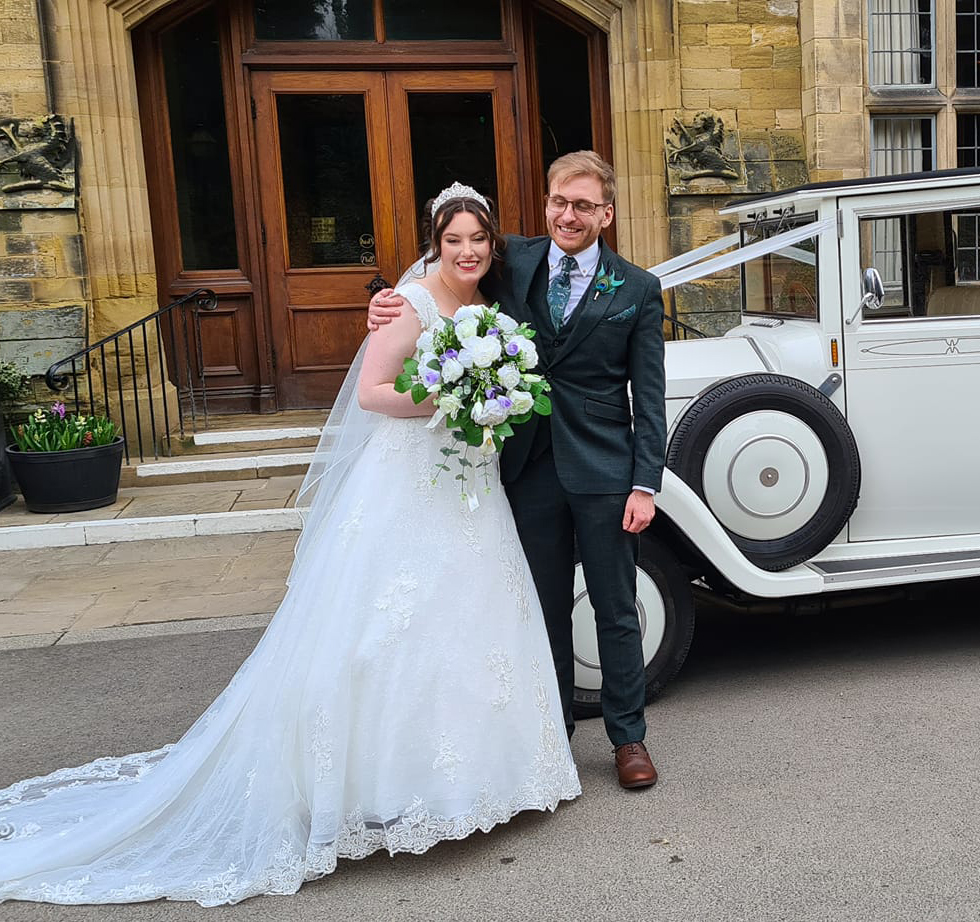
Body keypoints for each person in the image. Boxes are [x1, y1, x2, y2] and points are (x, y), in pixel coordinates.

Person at [0, 185, 580, 907]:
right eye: (454, 239)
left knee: (471, 625)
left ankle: (480, 778)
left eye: (479, 240)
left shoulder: (489, 313)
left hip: (469, 491)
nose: (467, 251)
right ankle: (383, 788)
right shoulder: (410, 304)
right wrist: (450, 401)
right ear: (435, 242)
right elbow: (372, 392)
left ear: (494, 245)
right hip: (408, 486)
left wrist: (490, 400)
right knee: (383, 633)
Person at [368, 151, 667, 791]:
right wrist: (389, 304)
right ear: (548, 204)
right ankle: (553, 734)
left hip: (606, 471)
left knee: (615, 608)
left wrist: (646, 483)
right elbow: (451, 267)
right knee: (543, 606)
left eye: (584, 205)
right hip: (526, 468)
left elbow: (650, 392)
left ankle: (629, 739)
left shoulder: (637, 289)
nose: (569, 214)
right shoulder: (518, 260)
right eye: (560, 201)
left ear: (606, 214)